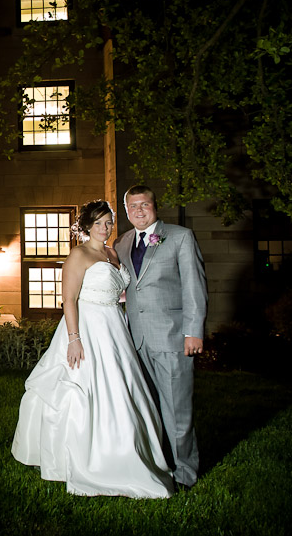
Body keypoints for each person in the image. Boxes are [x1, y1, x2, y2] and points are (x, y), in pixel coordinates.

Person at [11, 200, 175, 498]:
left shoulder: (113, 252)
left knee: (124, 386)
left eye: (109, 222)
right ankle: (87, 458)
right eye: (99, 223)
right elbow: (69, 300)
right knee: (88, 387)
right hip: (87, 327)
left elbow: (119, 290)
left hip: (115, 326)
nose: (105, 227)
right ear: (86, 226)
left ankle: (133, 450)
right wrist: (74, 339)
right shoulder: (79, 254)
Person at [117, 185, 207, 489]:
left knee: (177, 410)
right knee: (149, 409)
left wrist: (193, 331)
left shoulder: (180, 236)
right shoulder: (122, 242)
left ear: (155, 206)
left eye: (144, 205)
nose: (139, 211)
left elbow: (193, 287)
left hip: (171, 338)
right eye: (133, 207)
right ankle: (159, 464)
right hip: (136, 340)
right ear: (126, 210)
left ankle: (185, 474)